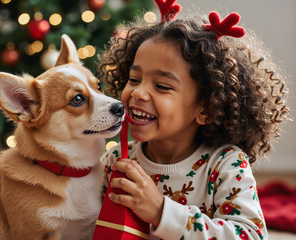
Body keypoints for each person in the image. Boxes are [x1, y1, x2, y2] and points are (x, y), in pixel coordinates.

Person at [97, 8, 289, 240]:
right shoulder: (114, 162)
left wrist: (161, 212)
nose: (138, 92)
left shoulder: (225, 165)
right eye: (134, 79)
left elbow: (250, 235)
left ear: (205, 109)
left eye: (162, 86)